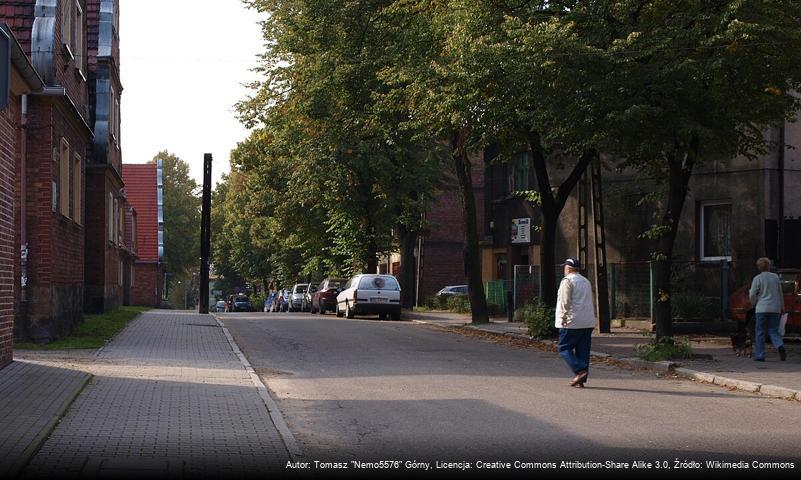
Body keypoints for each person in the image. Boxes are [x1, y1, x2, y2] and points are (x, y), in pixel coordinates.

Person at [555, 258, 596, 387]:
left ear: (568, 268)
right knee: (583, 350)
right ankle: (581, 379)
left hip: (572, 322)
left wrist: (563, 319)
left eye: (564, 267)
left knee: (564, 348)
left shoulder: (567, 281)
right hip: (587, 322)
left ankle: (580, 371)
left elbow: (564, 302)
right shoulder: (586, 281)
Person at [749, 257, 786, 362]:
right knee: (773, 330)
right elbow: (780, 293)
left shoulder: (758, 278)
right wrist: (782, 307)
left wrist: (754, 303)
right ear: (769, 266)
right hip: (775, 308)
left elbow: (752, 294)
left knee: (760, 332)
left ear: (759, 267)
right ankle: (780, 345)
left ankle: (760, 355)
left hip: (761, 308)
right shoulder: (775, 277)